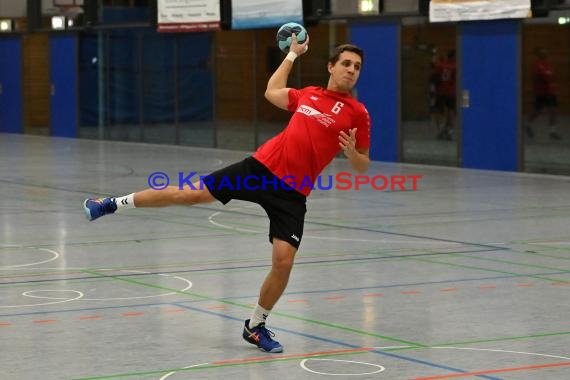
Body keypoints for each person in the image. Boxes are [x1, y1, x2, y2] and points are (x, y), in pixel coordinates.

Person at [83, 36, 371, 353]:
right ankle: (111, 204)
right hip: (260, 169)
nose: (351, 70)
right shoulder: (309, 95)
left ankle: (256, 326)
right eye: (346, 63)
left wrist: (351, 154)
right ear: (331, 66)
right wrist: (291, 55)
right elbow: (271, 92)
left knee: (284, 261)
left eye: (357, 67)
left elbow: (362, 164)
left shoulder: (358, 114)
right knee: (188, 195)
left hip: (292, 193)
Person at [525, 47, 561, 140]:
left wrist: (555, 87)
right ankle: (528, 124)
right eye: (543, 52)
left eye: (546, 52)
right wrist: (543, 83)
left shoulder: (548, 64)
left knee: (553, 111)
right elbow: (535, 78)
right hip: (541, 92)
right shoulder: (536, 65)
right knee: (538, 111)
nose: (545, 53)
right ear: (538, 54)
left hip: (550, 92)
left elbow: (552, 77)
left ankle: (552, 132)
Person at [434, 49, 456, 141]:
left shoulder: (440, 65)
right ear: (453, 57)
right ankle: (449, 131)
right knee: (451, 111)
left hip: (441, 91)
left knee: (439, 111)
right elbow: (456, 79)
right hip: (451, 91)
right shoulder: (456, 66)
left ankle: (440, 129)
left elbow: (435, 78)